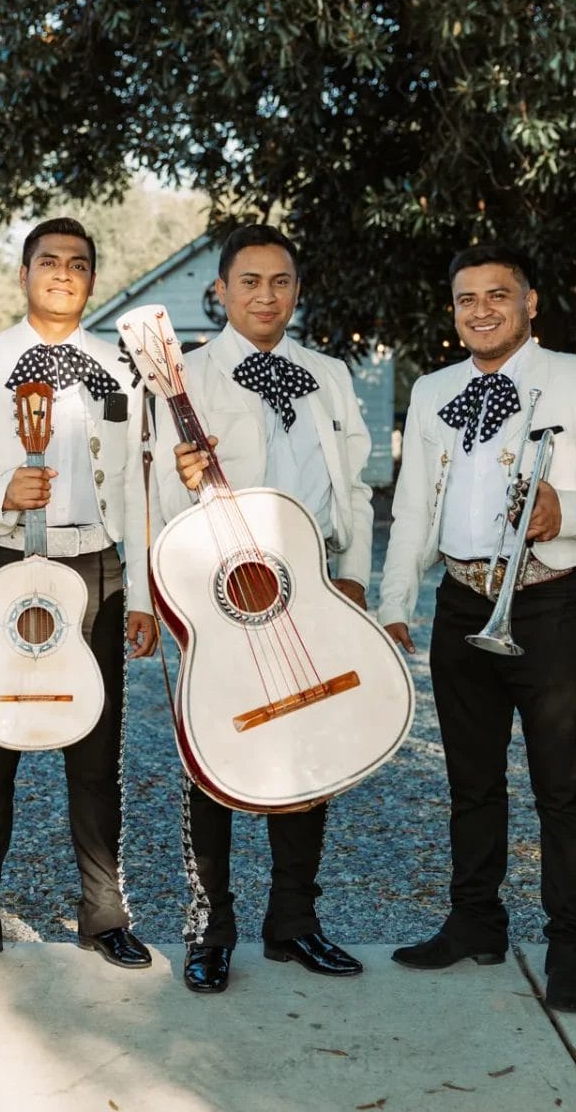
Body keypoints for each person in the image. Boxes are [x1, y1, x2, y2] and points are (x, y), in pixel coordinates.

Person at [376, 243, 576, 1013]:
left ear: (531, 301)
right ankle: (476, 922)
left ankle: (570, 943)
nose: (482, 309)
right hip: (464, 601)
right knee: (471, 781)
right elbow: (414, 513)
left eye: (499, 294)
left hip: (549, 599)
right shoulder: (432, 390)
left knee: (561, 788)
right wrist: (397, 603)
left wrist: (572, 509)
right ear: (454, 310)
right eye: (467, 298)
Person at [0, 217, 161, 972]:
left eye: (78, 263)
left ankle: (102, 914)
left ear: (92, 279)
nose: (63, 272)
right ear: (23, 274)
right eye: (48, 261)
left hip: (96, 571)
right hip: (7, 574)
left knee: (95, 752)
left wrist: (146, 590)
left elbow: (137, 486)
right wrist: (1, 492)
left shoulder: (119, 367)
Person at [160, 224, 374, 994]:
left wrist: (355, 574)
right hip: (225, 597)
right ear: (220, 291)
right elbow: (156, 504)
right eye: (248, 281)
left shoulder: (329, 373)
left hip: (314, 590)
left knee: (310, 746)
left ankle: (294, 923)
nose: (265, 295)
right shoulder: (183, 378)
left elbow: (353, 484)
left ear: (296, 289)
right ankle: (208, 928)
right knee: (212, 761)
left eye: (280, 281)